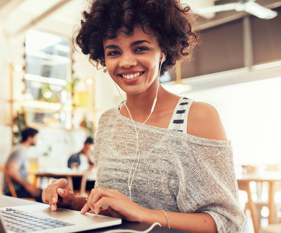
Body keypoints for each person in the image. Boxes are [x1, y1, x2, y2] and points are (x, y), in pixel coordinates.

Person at [42, 0, 245, 232]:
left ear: (163, 51)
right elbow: (111, 210)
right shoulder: (108, 122)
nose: (126, 61)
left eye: (140, 48)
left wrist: (143, 214)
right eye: (114, 52)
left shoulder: (198, 117)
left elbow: (228, 222)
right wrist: (72, 202)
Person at [3, 127, 43, 202]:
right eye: (36, 137)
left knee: (44, 193)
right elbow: (12, 171)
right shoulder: (21, 150)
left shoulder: (20, 149)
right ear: (29, 138)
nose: (37, 140)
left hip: (18, 189)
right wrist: (27, 185)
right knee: (45, 196)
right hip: (15, 190)